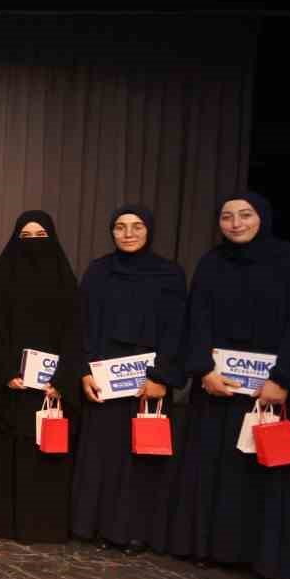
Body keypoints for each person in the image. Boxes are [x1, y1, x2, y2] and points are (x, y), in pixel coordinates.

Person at [162, 193, 290, 579]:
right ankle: (213, 548)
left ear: (263, 217)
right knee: (218, 468)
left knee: (269, 473)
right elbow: (195, 319)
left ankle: (268, 561)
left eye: (245, 215)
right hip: (219, 389)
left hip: (275, 392)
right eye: (226, 216)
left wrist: (283, 378)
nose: (236, 224)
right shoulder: (211, 263)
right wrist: (202, 368)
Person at [69, 206, 187, 553]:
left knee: (141, 457)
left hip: (147, 382)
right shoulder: (98, 271)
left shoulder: (169, 274)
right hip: (104, 377)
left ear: (149, 230)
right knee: (102, 454)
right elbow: (81, 324)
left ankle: (136, 532)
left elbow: (177, 328)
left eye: (136, 226)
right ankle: (96, 526)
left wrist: (162, 376)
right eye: (120, 227)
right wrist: (83, 371)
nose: (128, 233)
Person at [0, 211, 83, 544]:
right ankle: (1, 521)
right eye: (26, 236)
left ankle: (42, 524)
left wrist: (61, 379)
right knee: (5, 451)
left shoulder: (65, 282)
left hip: (50, 390)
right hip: (10, 388)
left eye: (40, 236)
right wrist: (6, 373)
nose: (33, 243)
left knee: (45, 453)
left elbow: (75, 333)